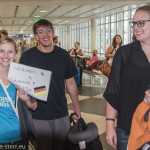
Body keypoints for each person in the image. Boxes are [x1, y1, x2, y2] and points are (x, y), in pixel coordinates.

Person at [19, 19, 81, 150]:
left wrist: (77, 107)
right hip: (37, 115)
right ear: (36, 36)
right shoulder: (27, 57)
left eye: (48, 31)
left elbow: (70, 82)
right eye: (40, 32)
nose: (45, 35)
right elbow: (22, 84)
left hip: (61, 113)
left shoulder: (63, 55)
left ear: (53, 33)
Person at [103, 5, 150, 150]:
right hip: (128, 127)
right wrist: (110, 125)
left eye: (141, 23)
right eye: (134, 23)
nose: (136, 27)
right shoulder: (124, 53)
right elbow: (113, 91)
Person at [0, 37, 37, 149]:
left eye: (10, 51)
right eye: (1, 51)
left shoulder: (23, 77)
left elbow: (34, 106)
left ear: (16, 55)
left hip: (19, 137)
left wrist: (26, 100)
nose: (5, 55)